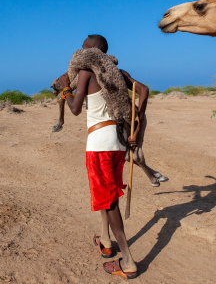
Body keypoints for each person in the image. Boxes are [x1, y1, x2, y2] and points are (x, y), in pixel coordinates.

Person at [57, 34, 149, 279]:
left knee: (108, 201)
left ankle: (128, 261)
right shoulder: (118, 72)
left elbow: (75, 109)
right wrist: (137, 129)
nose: (80, 49)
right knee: (105, 194)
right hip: (118, 143)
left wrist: (66, 87)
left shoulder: (87, 71)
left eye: (84, 46)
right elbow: (144, 90)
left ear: (93, 50)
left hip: (98, 144)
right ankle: (106, 241)